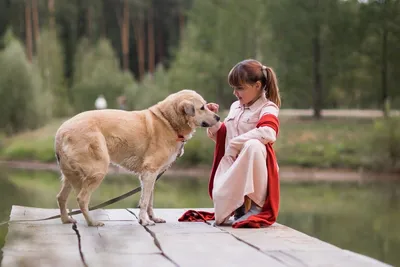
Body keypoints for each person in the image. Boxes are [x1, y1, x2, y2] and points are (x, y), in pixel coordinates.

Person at [179, 59, 281, 228]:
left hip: (256, 168)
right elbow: (224, 135)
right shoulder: (235, 106)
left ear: (257, 85)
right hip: (232, 166)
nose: (235, 92)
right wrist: (210, 118)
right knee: (220, 211)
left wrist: (235, 144)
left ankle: (257, 206)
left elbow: (269, 132)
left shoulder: (268, 107)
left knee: (254, 145)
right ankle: (238, 206)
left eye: (240, 88)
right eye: (234, 88)